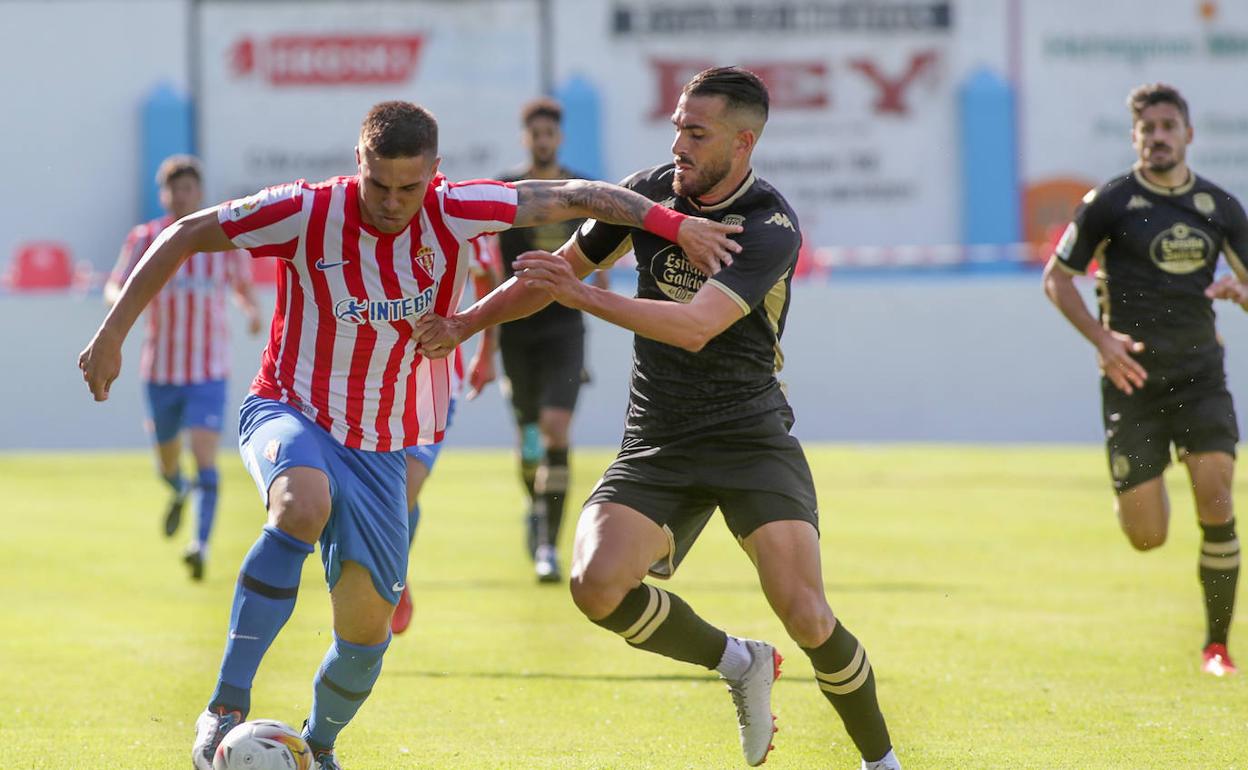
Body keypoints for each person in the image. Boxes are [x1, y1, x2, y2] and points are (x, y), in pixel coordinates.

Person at [78, 100, 741, 770]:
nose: (393, 203)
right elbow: (187, 233)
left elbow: (581, 195)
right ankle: (224, 706)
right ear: (358, 163)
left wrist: (672, 224)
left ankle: (320, 748)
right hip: (291, 408)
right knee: (300, 506)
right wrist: (111, 335)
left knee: (366, 636)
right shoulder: (305, 211)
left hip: (383, 448)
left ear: (434, 174)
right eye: (378, 185)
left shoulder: (454, 209)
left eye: (409, 187)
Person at [415, 67, 901, 770]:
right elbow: (556, 268)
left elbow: (695, 326)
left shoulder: (768, 225)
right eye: (676, 124)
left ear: (742, 142)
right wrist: (465, 324)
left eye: (695, 132)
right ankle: (739, 662)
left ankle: (880, 761)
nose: (678, 142)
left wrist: (580, 298)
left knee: (807, 614)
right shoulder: (648, 194)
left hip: (748, 436)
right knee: (594, 583)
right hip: (659, 439)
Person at [1043, 82, 1247, 677]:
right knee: (1148, 536)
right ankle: (1136, 484)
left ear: (1187, 134)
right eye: (1147, 130)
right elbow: (1057, 279)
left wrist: (1241, 292)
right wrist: (1103, 341)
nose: (1158, 137)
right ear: (1136, 138)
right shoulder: (1110, 203)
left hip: (1200, 375)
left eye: (1167, 127)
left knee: (1216, 492)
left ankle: (1217, 648)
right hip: (1132, 382)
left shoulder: (1220, 208)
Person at [103, 154, 262, 580]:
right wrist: (117, 303)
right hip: (161, 370)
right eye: (174, 188)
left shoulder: (221, 239)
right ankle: (178, 489)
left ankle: (201, 545)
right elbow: (117, 282)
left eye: (189, 188)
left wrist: (249, 310)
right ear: (164, 194)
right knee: (168, 463)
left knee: (205, 454)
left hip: (208, 368)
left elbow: (242, 287)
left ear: (200, 192)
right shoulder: (146, 237)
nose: (182, 195)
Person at [493, 97, 606, 582]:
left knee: (557, 430)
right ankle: (537, 507)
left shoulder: (579, 190)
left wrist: (598, 279)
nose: (542, 141)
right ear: (526, 137)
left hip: (564, 325)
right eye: (534, 134)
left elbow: (601, 248)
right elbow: (489, 262)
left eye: (549, 134)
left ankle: (548, 547)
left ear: (558, 138)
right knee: (531, 443)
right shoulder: (505, 190)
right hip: (516, 327)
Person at [392, 236, 497, 635]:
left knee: (401, 495)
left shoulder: (459, 214)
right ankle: (386, 571)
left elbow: (488, 278)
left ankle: (391, 578)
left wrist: (485, 350)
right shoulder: (370, 205)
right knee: (375, 494)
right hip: (364, 379)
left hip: (432, 380)